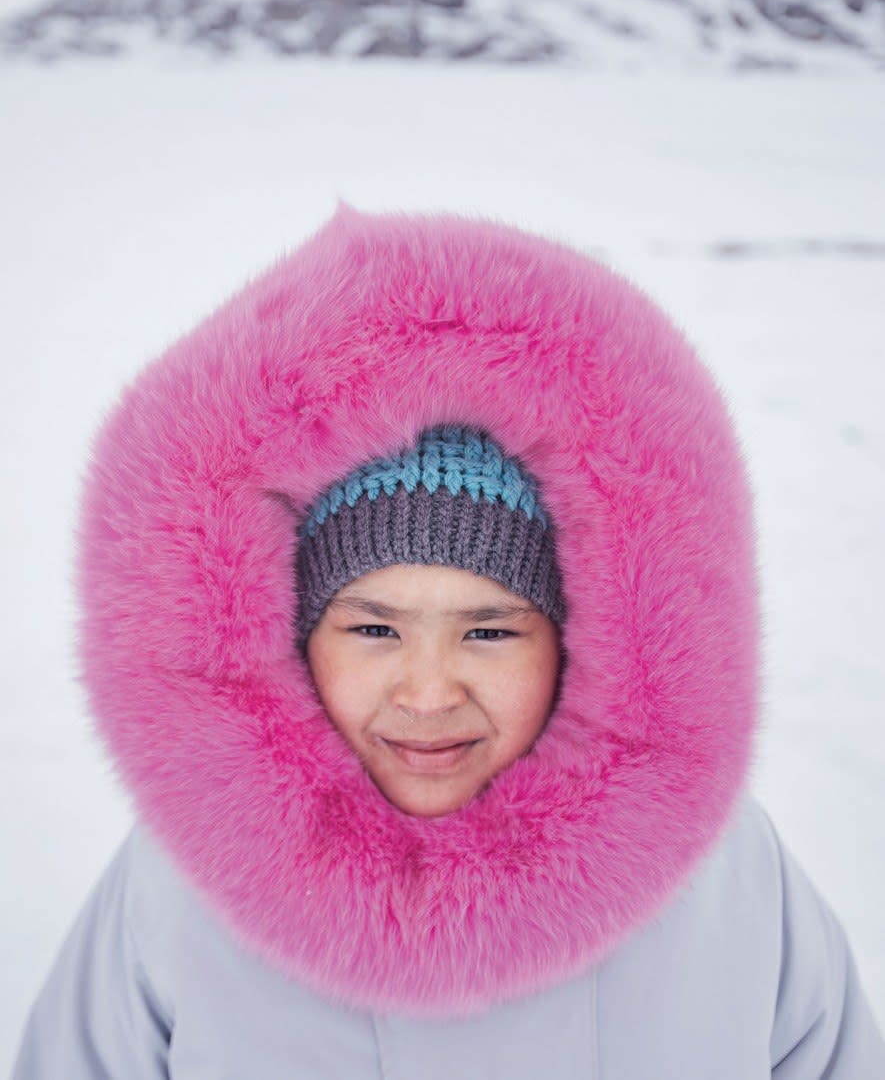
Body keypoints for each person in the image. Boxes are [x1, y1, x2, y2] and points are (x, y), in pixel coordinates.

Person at [12, 203, 885, 1077]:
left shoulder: (725, 882)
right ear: (287, 636)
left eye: (492, 629)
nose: (428, 693)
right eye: (373, 627)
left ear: (584, 646)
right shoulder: (180, 891)